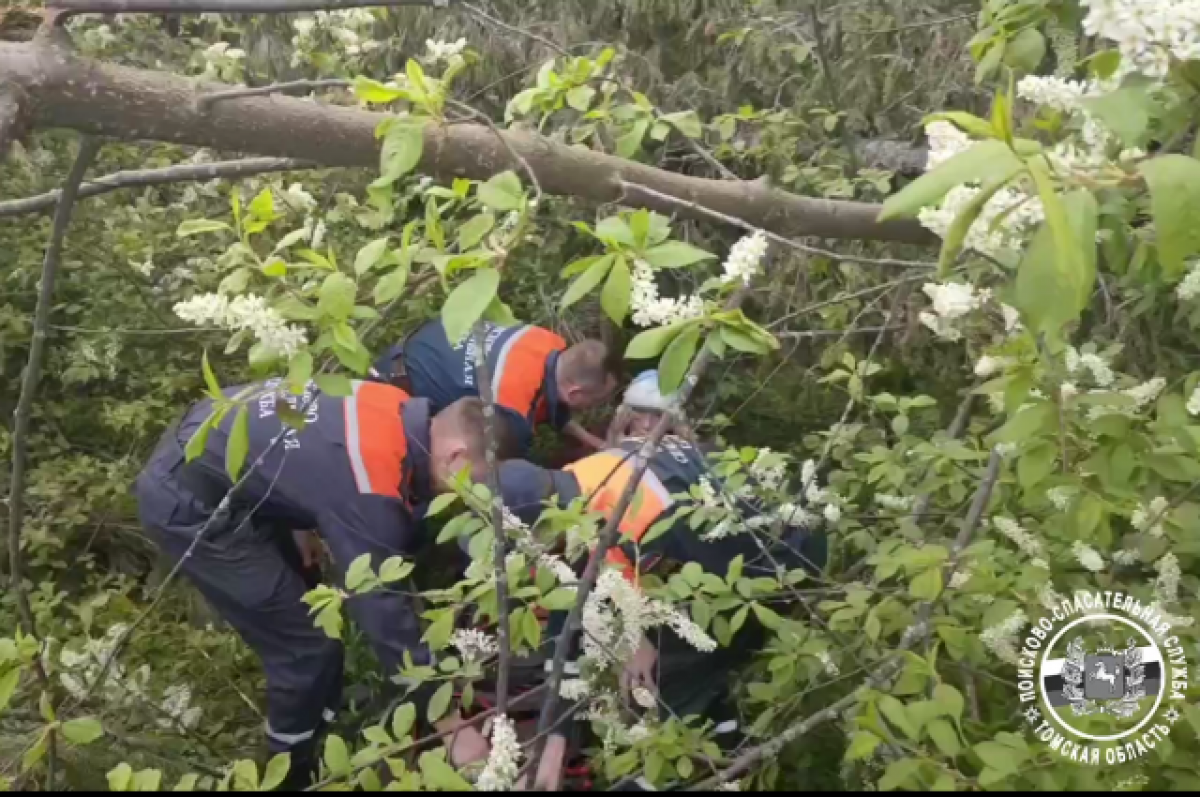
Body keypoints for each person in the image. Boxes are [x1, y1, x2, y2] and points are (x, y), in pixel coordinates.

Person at [134, 377, 517, 788]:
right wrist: (452, 726)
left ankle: (324, 725)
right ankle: (288, 773)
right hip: (191, 503)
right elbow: (381, 610)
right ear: (456, 456)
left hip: (218, 453)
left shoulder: (391, 405)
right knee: (305, 647)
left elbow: (310, 446)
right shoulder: (371, 482)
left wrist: (306, 517)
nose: (469, 497)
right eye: (475, 484)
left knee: (313, 599)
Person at [494, 371, 828, 789]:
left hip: (781, 556)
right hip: (723, 547)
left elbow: (722, 584)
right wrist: (553, 742)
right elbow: (570, 608)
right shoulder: (583, 477)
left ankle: (684, 767)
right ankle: (727, 745)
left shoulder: (641, 517)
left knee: (672, 673)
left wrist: (641, 638)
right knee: (650, 653)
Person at [369, 319, 620, 455]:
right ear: (575, 393)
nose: (594, 407)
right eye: (595, 401)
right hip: (394, 387)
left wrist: (591, 441)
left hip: (421, 347)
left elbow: (551, 404)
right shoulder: (511, 410)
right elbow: (502, 473)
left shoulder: (546, 341)